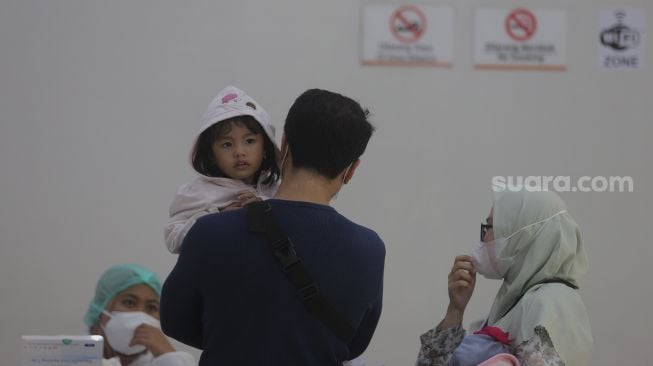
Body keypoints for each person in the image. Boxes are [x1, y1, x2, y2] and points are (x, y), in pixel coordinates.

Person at [161, 89, 385, 366]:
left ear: (283, 144)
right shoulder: (369, 249)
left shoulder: (210, 231)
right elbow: (354, 344)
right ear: (351, 170)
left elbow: (174, 321)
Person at [416, 190, 592, 366]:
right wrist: (455, 310)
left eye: (490, 227)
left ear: (524, 236)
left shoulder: (553, 303)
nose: (484, 238)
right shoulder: (514, 305)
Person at [165, 85, 281, 253]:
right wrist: (216, 217)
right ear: (211, 154)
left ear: (265, 147)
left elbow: (293, 224)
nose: (239, 152)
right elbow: (173, 240)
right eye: (227, 144)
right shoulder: (195, 192)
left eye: (249, 141)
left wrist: (264, 206)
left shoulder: (277, 189)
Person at [85, 264, 196, 366]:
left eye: (151, 307)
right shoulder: (73, 357)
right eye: (129, 302)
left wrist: (169, 357)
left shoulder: (170, 362)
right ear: (101, 309)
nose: (140, 314)